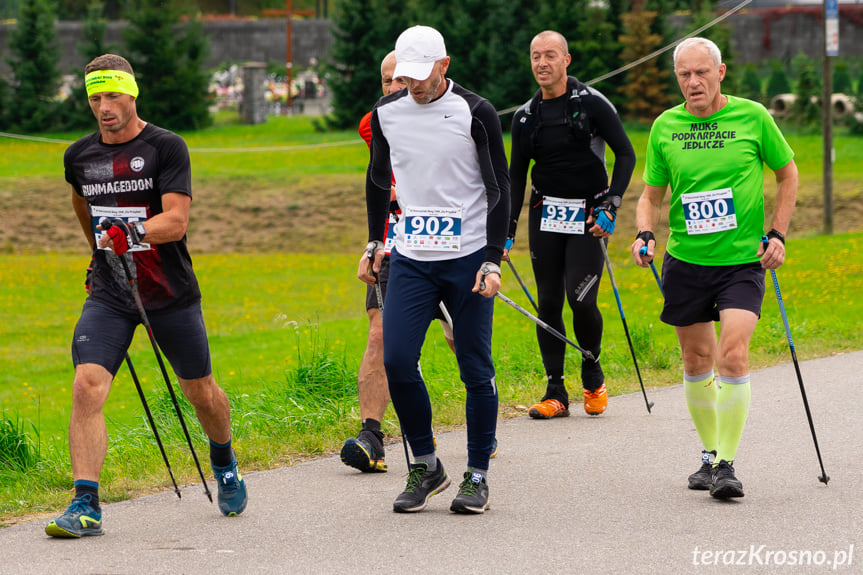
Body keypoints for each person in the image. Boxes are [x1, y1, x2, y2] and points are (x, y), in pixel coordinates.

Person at [46, 54, 248, 538]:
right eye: (95, 97)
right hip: (110, 292)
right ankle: (85, 504)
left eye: (112, 95)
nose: (104, 107)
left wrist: (126, 230)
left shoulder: (165, 147)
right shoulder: (79, 155)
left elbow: (177, 221)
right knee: (86, 385)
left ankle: (224, 461)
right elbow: (82, 201)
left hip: (170, 292)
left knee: (201, 393)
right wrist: (99, 251)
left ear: (132, 93)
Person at [631, 37, 798, 499]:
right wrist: (645, 232)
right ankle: (708, 455)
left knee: (733, 355)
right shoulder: (666, 126)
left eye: (701, 72)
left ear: (720, 73)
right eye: (684, 74)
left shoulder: (752, 117)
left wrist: (778, 233)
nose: (693, 82)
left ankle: (727, 463)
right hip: (686, 261)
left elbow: (788, 174)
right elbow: (650, 195)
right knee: (696, 360)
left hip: (742, 262)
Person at [358, 25, 510, 514]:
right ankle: (426, 464)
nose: (414, 85)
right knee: (398, 359)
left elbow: (499, 189)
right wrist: (374, 240)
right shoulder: (388, 114)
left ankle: (478, 475)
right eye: (405, 76)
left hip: (466, 258)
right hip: (412, 257)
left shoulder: (476, 111)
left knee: (473, 366)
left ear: (444, 65)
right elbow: (379, 177)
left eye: (422, 75)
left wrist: (491, 258)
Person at [507, 30, 636, 419]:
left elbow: (626, 155)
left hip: (589, 216)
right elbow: (515, 177)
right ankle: (555, 392)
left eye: (549, 55)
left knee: (581, 299)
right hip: (546, 214)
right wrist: (507, 231)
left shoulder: (592, 104)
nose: (541, 63)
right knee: (548, 302)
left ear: (567, 60)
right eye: (535, 56)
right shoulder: (525, 116)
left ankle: (592, 374)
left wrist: (611, 205)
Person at [341, 50, 458, 474]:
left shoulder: (449, 114)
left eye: (400, 80)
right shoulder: (376, 124)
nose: (393, 89)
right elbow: (378, 183)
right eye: (386, 81)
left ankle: (483, 400)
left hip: (448, 241)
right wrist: (372, 245)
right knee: (379, 332)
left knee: (457, 336)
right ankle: (371, 436)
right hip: (396, 244)